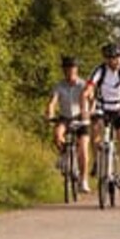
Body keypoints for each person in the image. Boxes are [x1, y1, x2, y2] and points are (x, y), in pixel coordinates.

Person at [87, 42, 120, 189]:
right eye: (110, 58)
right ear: (105, 59)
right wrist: (88, 102)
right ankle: (97, 160)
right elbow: (90, 86)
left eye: (117, 58)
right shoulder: (99, 70)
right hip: (102, 107)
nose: (114, 61)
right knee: (95, 128)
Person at [44, 55, 92, 193]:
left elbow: (91, 98)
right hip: (65, 117)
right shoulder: (59, 85)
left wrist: (89, 112)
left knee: (83, 148)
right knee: (57, 135)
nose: (69, 71)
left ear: (76, 70)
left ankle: (83, 180)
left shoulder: (83, 85)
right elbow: (53, 101)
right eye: (67, 69)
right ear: (63, 70)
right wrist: (50, 113)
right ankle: (64, 154)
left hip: (81, 119)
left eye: (72, 68)